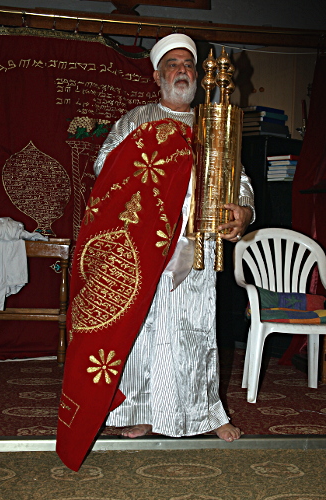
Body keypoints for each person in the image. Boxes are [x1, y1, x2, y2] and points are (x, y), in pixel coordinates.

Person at [93, 34, 255, 443]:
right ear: (157, 75)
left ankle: (206, 412)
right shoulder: (135, 120)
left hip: (197, 241)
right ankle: (140, 410)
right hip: (144, 244)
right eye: (173, 64)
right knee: (142, 327)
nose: (183, 70)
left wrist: (243, 210)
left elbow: (240, 180)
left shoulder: (211, 123)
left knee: (195, 327)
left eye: (189, 64)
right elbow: (104, 171)